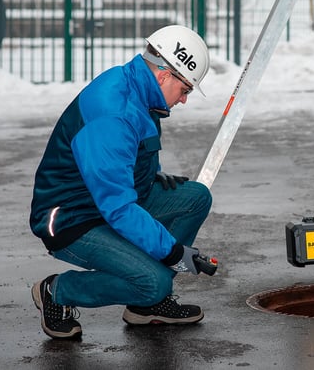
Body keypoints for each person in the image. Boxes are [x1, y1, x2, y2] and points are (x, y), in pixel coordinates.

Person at [29, 25, 214, 340]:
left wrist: (149, 174)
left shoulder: (142, 91)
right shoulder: (112, 112)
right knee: (155, 281)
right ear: (164, 76)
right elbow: (117, 207)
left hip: (110, 200)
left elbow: (130, 155)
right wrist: (172, 253)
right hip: (74, 218)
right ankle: (58, 291)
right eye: (186, 90)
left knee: (195, 197)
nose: (184, 100)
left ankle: (146, 307)